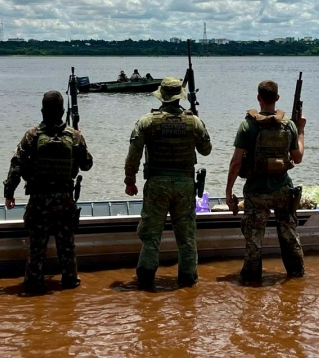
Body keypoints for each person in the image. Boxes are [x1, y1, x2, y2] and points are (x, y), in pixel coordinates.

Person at [124, 77, 212, 289]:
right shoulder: (194, 122)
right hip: (185, 185)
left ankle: (145, 282)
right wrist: (198, 124)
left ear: (161, 96)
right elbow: (206, 150)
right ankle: (188, 282)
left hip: (157, 184)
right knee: (186, 237)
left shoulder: (147, 121)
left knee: (151, 237)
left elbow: (133, 155)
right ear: (179, 97)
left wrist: (130, 181)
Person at [3, 90, 93, 292]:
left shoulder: (32, 135)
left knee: (37, 249)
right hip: (64, 199)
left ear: (43, 110)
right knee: (67, 248)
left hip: (39, 199)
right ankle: (70, 284)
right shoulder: (74, 136)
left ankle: (34, 284)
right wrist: (80, 138)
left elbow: (16, 165)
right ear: (62, 111)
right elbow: (87, 165)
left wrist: (9, 193)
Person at [225, 80, 306, 282]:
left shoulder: (248, 125)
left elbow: (236, 162)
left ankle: (251, 280)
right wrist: (302, 129)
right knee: (289, 235)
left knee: (254, 239)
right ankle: (296, 278)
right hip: (282, 190)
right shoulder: (289, 126)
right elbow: (298, 158)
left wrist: (228, 191)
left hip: (256, 191)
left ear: (259, 98)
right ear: (277, 98)